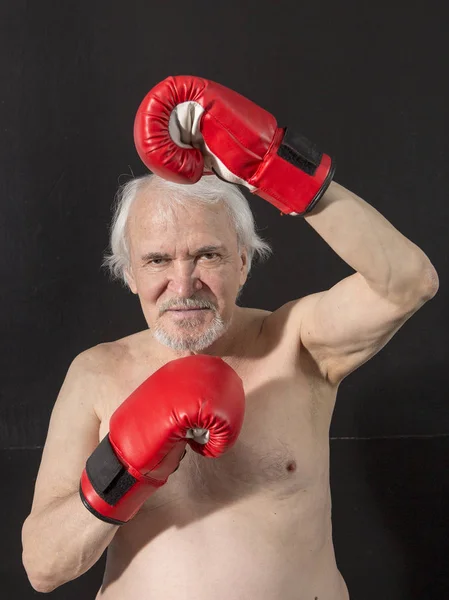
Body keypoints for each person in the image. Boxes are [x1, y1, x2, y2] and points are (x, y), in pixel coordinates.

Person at [21, 76, 439, 599]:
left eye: (208, 255)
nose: (184, 283)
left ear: (243, 261)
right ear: (128, 272)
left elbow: (408, 282)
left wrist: (278, 170)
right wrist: (123, 468)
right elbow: (42, 566)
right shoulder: (97, 372)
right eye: (157, 260)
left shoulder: (297, 342)